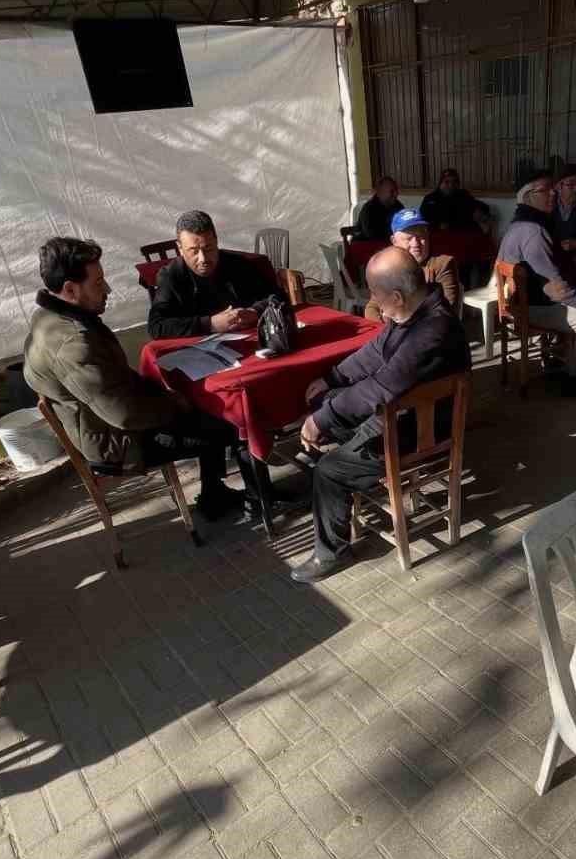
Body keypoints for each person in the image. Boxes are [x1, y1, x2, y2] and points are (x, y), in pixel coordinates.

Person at [24, 237, 258, 520]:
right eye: (98, 283)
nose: (107, 289)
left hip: (104, 421)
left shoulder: (48, 317)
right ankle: (259, 500)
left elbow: (114, 382)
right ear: (70, 290)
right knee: (230, 421)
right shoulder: (74, 343)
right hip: (117, 442)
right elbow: (126, 415)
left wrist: (166, 395)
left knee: (202, 406)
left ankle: (213, 495)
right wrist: (176, 404)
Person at [290, 249, 471, 583]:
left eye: (375, 294)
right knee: (326, 403)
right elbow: (373, 354)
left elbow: (379, 387)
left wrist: (322, 420)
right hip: (400, 418)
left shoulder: (433, 331)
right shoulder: (415, 312)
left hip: (421, 434)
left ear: (397, 296)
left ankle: (331, 551)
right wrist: (331, 379)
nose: (372, 300)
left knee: (329, 470)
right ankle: (330, 500)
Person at [497, 176, 576, 396]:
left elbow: (546, 259)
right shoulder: (533, 230)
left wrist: (572, 259)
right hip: (530, 307)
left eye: (552, 189)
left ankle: (568, 363)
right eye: (545, 190)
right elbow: (553, 283)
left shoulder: (522, 223)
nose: (553, 194)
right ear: (528, 197)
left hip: (525, 300)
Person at [147, 211, 276, 340]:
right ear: (180, 248)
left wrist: (255, 312)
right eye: (194, 251)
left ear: (216, 241)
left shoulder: (237, 264)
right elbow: (156, 326)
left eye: (208, 249)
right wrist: (210, 324)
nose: (203, 259)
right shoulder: (171, 276)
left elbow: (277, 297)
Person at [364, 208, 461, 320]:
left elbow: (448, 310)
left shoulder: (442, 264)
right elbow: (372, 307)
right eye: (408, 238)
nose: (415, 244)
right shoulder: (388, 266)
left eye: (421, 236)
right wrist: (384, 325)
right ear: (394, 241)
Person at [421, 168, 492, 234]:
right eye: (446, 182)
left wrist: (479, 212)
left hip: (462, 234)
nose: (451, 185)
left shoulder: (463, 195)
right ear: (440, 183)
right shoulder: (430, 198)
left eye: (454, 182)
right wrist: (437, 224)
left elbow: (483, 206)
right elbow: (423, 217)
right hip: (438, 235)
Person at [356, 176, 403, 243]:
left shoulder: (398, 205)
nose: (396, 194)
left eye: (396, 190)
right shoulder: (369, 209)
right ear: (380, 192)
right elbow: (372, 235)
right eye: (392, 191)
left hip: (391, 243)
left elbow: (405, 226)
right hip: (368, 245)